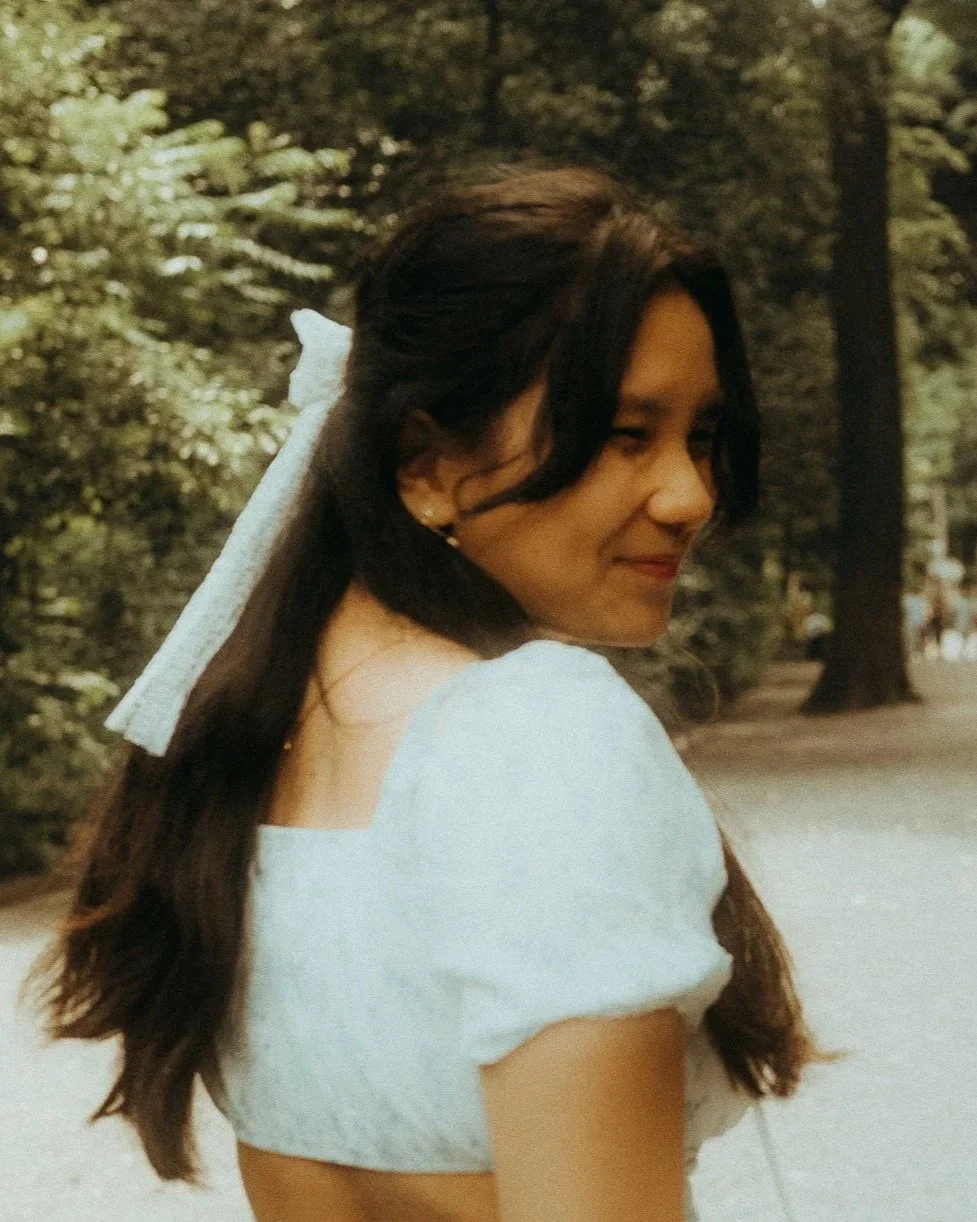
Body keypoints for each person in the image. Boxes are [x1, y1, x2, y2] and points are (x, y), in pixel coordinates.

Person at [25, 167, 840, 1222]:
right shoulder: (537, 735)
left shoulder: (264, 738)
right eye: (622, 433)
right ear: (421, 461)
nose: (689, 495)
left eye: (699, 437)